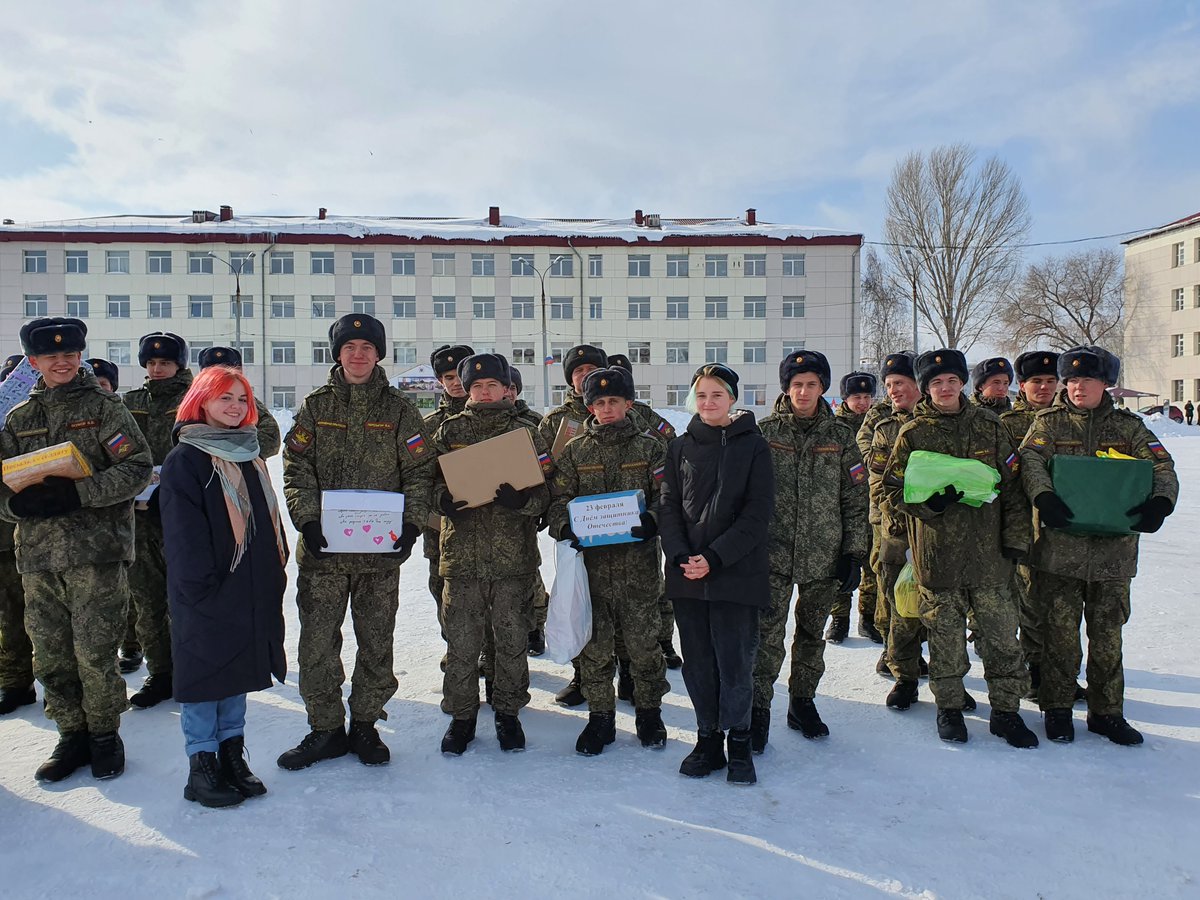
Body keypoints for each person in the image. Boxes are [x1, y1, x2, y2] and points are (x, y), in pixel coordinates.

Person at [0, 317, 152, 781]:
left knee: (96, 651)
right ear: (34, 362)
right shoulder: (18, 417)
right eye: (50, 356)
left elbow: (137, 469)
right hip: (39, 557)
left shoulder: (104, 407)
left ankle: (104, 735)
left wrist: (77, 494)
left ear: (80, 356)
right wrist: (18, 506)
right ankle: (71, 735)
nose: (61, 362)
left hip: (96, 552)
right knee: (50, 655)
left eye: (69, 354)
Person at [278, 314, 433, 770]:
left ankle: (365, 724)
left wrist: (411, 525)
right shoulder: (315, 406)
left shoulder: (401, 409)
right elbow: (296, 467)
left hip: (378, 556)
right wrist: (307, 521)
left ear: (379, 353)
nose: (359, 354)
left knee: (375, 640)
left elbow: (421, 471)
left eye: (367, 346)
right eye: (350, 347)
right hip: (323, 552)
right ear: (338, 353)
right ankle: (325, 728)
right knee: (317, 642)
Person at [1019, 346, 1178, 745]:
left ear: (1105, 384)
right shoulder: (1049, 424)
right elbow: (1030, 461)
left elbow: (1162, 465)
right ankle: (1056, 709)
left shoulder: (1130, 428)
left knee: (1108, 638)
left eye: (1086, 380)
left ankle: (1107, 713)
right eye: (1070, 381)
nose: (1077, 387)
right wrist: (1043, 496)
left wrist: (1161, 502)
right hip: (1059, 550)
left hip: (1113, 555)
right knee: (1060, 636)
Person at [882, 349, 1038, 748]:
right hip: (939, 555)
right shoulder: (913, 433)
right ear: (926, 388)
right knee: (945, 639)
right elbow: (891, 489)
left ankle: (1006, 712)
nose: (945, 388)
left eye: (952, 380)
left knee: (1002, 638)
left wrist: (1017, 542)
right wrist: (927, 505)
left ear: (963, 383)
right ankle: (949, 709)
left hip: (991, 557)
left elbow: (1015, 489)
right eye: (936, 382)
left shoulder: (990, 426)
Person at [159, 365, 288, 807]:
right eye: (224, 398)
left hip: (247, 586)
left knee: (235, 673)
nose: (234, 407)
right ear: (201, 401)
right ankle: (202, 767)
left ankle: (233, 755)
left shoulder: (248, 453)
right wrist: (200, 588)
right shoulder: (187, 458)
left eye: (241, 399)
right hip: (205, 589)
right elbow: (182, 534)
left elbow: (266, 524)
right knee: (203, 678)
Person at [659, 364, 774, 785]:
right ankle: (707, 738)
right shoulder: (679, 447)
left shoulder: (755, 447)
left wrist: (715, 557)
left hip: (735, 572)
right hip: (688, 573)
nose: (708, 402)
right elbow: (668, 505)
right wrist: (681, 555)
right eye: (702, 395)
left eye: (717, 395)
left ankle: (739, 741)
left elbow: (757, 513)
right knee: (698, 663)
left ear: (732, 399)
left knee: (735, 662)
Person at [433, 353, 553, 755]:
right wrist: (441, 500)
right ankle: (462, 717)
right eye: (477, 386)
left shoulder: (527, 432)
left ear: (506, 389)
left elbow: (548, 492)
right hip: (462, 557)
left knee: (511, 639)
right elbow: (422, 481)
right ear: (467, 390)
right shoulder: (449, 431)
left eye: (492, 386)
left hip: (512, 559)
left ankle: (508, 713)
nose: (485, 393)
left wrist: (523, 500)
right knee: (462, 642)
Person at [547, 367, 669, 755]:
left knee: (645, 645)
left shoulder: (651, 448)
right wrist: (565, 527)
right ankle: (601, 717)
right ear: (589, 407)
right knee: (595, 647)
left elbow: (669, 496)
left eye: (614, 401)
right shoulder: (577, 450)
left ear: (628, 403)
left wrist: (653, 520)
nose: (606, 408)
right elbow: (557, 500)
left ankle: (649, 713)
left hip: (639, 569)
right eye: (598, 402)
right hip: (592, 573)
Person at [752, 353, 867, 752]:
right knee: (766, 637)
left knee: (811, 635)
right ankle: (758, 709)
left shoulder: (840, 436)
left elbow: (856, 497)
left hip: (824, 554)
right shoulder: (762, 433)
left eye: (812, 384)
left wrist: (854, 552)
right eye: (797, 383)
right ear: (786, 387)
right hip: (772, 555)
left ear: (823, 388)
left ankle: (802, 703)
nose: (804, 391)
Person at [123, 331, 193, 708]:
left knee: (187, 597)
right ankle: (161, 672)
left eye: (165, 362)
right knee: (147, 601)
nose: (157, 368)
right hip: (140, 518)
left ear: (179, 364)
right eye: (151, 362)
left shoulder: (195, 399)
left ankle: (193, 668)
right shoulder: (129, 402)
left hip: (184, 519)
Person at [999, 350, 1073, 703]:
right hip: (1023, 524)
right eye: (1036, 381)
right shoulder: (1006, 424)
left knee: (1061, 607)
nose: (1043, 387)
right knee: (1029, 602)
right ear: (1022, 385)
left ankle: (1062, 676)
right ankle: (1035, 670)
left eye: (1049, 381)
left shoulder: (1069, 419)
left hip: (1065, 526)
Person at [539, 344, 607, 707]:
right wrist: (559, 521)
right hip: (577, 533)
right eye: (578, 372)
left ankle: (630, 675)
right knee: (579, 602)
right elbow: (543, 474)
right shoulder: (553, 422)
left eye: (591, 369)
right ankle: (584, 676)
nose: (585, 376)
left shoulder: (634, 412)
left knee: (629, 608)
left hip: (627, 530)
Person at [606, 352, 683, 671]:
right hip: (605, 521)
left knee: (657, 584)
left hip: (648, 515)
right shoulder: (595, 419)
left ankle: (663, 639)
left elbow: (674, 451)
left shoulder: (650, 420)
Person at [856, 352, 922, 678]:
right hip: (887, 517)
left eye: (900, 383)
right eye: (889, 384)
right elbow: (872, 461)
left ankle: (913, 651)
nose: (893, 390)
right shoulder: (879, 419)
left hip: (930, 519)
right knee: (890, 585)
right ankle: (891, 649)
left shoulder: (931, 417)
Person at [423, 344, 474, 673]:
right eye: (447, 377)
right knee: (443, 589)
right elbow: (416, 476)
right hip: (440, 527)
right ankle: (454, 646)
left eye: (459, 375)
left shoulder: (490, 417)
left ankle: (487, 652)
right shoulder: (427, 425)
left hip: (487, 526)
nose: (454, 383)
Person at [828, 371, 880, 645]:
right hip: (842, 506)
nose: (862, 402)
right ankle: (839, 619)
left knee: (872, 565)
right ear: (844, 399)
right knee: (843, 563)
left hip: (872, 505)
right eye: (856, 397)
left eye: (866, 397)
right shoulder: (835, 427)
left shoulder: (879, 423)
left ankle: (868, 617)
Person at [0, 355, 35, 716]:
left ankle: (16, 681)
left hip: (22, 529)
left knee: (21, 612)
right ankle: (12, 681)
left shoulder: (23, 417)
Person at [196, 347, 281, 458]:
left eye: (228, 370)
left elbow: (272, 440)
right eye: (213, 371)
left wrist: (238, 450)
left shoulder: (247, 403)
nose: (222, 376)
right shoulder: (189, 403)